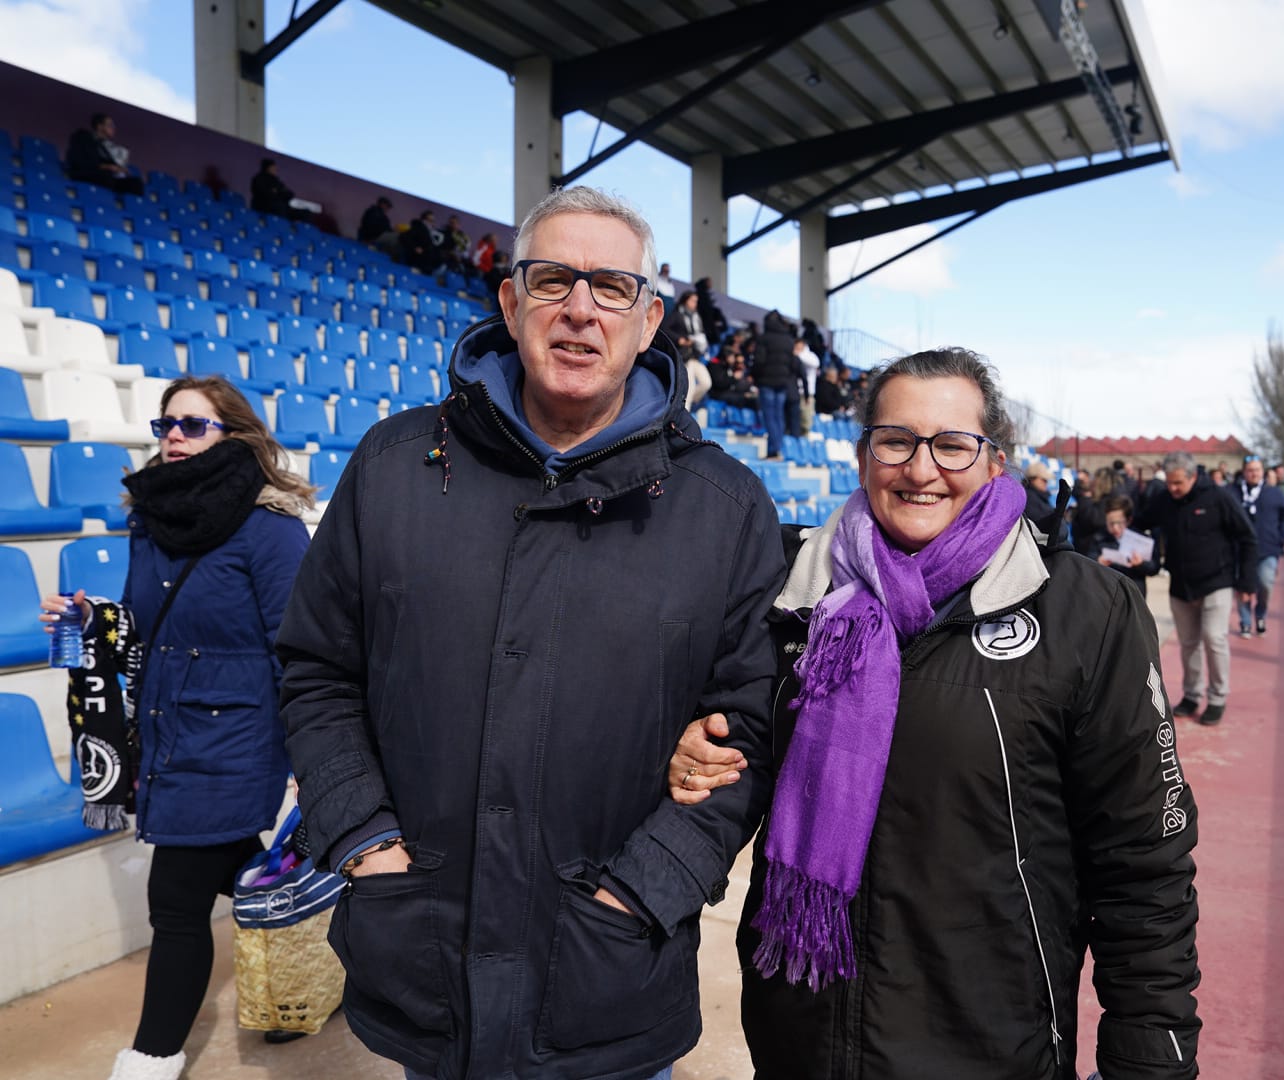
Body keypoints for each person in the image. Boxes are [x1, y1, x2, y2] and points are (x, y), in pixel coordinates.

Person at [276, 186, 786, 1080]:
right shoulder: (394, 466)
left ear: (650, 318)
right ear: (510, 303)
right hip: (425, 959)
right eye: (552, 280)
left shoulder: (725, 505)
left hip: (607, 981)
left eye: (612, 288)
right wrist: (363, 841)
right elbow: (317, 668)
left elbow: (748, 723)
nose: (580, 308)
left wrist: (642, 890)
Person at [670, 347, 1201, 1079]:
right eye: (896, 441)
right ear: (863, 456)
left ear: (995, 462)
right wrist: (691, 749)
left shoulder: (1081, 610)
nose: (921, 470)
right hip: (801, 1041)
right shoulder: (794, 596)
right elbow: (738, 746)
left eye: (953, 445)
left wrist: (1151, 1058)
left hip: (987, 1048)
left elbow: (1145, 860)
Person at [42, 375, 315, 1080]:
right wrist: (89, 618)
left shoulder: (270, 527)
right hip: (167, 732)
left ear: (234, 436)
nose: (172, 435)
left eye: (192, 425)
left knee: (175, 900)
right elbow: (144, 625)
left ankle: (153, 1057)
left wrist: (310, 753)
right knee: (248, 877)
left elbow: (298, 644)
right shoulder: (150, 522)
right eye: (165, 422)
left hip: (237, 738)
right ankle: (319, 955)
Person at [1134, 451, 1258, 727]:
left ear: (1193, 477)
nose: (1173, 488)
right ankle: (1191, 694)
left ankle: (1217, 698)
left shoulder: (1219, 498)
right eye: (1169, 483)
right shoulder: (1164, 500)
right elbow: (1141, 521)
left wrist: (1248, 581)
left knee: (1214, 639)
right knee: (1189, 644)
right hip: (1180, 585)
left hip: (1217, 582)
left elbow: (1248, 537)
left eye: (1178, 483)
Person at [1231, 455, 1284, 638]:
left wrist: (1280, 538)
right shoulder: (1233, 492)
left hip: (1267, 548)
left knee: (1265, 583)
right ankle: (1245, 621)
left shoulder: (1273, 493)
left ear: (1263, 472)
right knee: (1242, 586)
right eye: (1250, 470)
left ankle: (1260, 614)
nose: (1254, 474)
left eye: (1257, 470)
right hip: (1240, 549)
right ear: (1244, 472)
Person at [752, 310, 799, 459]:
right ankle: (776, 449)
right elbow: (792, 364)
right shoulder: (789, 340)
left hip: (767, 382)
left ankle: (775, 449)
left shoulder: (764, 338)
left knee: (770, 417)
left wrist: (755, 377)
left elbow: (758, 361)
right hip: (782, 383)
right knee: (779, 416)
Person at [1097, 492, 1161, 596]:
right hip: (1108, 594)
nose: (1115, 528)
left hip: (1135, 594)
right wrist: (1098, 562)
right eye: (1111, 523)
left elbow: (1154, 568)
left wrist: (1141, 564)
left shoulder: (1141, 539)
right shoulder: (1100, 538)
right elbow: (1089, 558)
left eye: (1119, 523)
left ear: (1129, 520)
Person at [66, 112, 143, 196]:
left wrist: (119, 169)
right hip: (85, 172)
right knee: (106, 176)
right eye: (110, 125)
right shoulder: (84, 136)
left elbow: (110, 164)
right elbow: (84, 161)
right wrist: (108, 167)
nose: (113, 128)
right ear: (100, 126)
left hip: (106, 177)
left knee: (136, 183)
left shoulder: (104, 146)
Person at [793, 337, 820, 432]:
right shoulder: (793, 356)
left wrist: (798, 354)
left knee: (806, 422)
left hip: (807, 394)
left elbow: (816, 363)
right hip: (795, 392)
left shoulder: (810, 356)